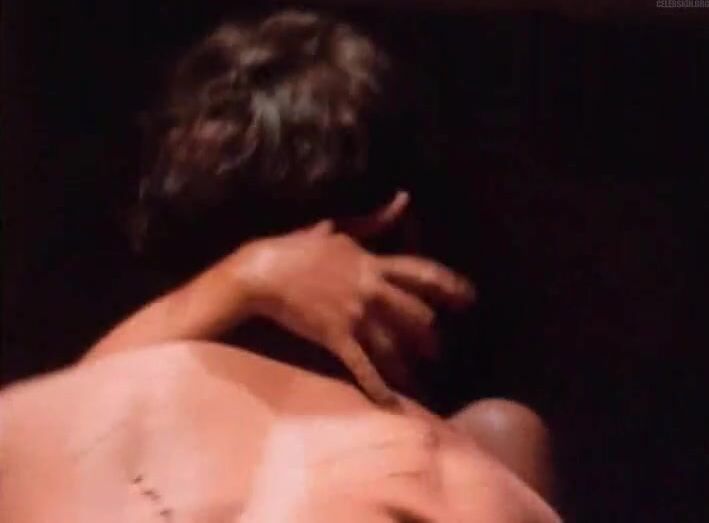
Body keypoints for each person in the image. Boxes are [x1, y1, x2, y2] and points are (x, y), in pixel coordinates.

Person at [0, 10, 557, 521]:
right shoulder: (473, 469)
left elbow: (69, 414)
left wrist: (243, 280)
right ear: (399, 220)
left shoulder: (54, 422)